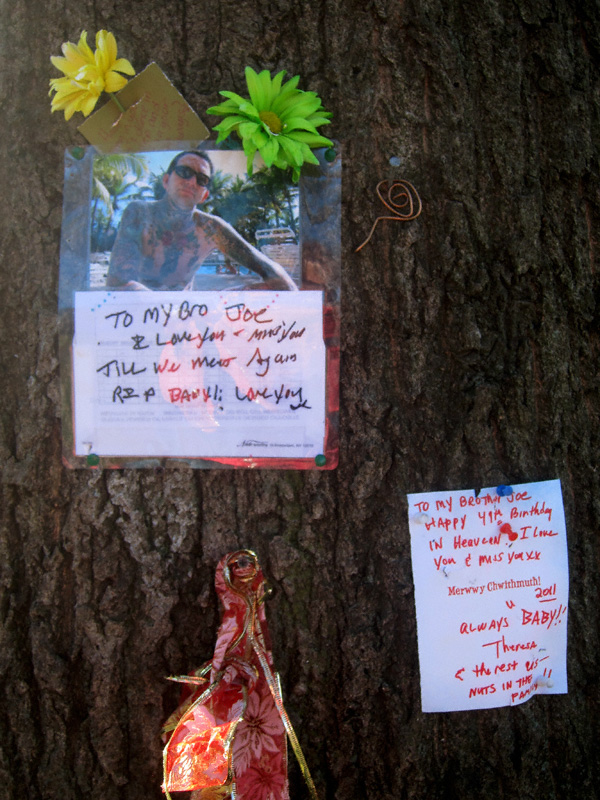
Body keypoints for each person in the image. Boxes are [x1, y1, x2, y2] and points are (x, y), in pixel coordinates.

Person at [106, 150, 297, 291]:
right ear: (166, 181)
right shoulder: (140, 214)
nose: (191, 182)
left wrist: (221, 303)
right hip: (139, 318)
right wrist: (166, 312)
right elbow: (118, 283)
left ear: (204, 196)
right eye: (184, 172)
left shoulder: (210, 229)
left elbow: (278, 278)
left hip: (187, 317)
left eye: (202, 179)